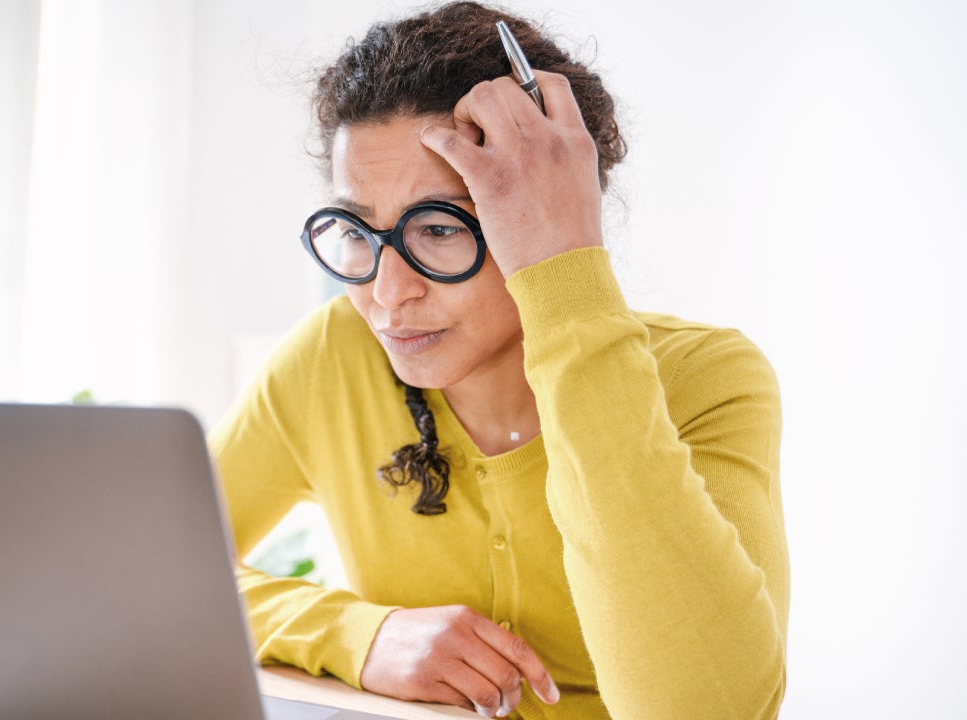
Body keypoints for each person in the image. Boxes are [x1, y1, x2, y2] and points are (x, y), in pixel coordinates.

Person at [208, 2, 789, 718]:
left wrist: (567, 279)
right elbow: (148, 573)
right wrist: (360, 634)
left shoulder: (708, 379)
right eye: (355, 229)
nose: (387, 293)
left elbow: (706, 709)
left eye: (440, 228)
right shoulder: (334, 355)